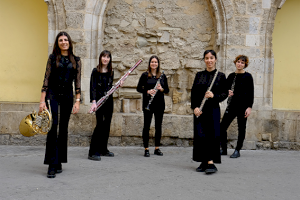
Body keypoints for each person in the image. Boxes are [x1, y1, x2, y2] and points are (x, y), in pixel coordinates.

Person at [40, 31, 81, 178]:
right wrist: (42, 101)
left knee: (63, 128)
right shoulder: (52, 58)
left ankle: (59, 161)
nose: (63, 42)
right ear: (57, 43)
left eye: (66, 40)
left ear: (69, 42)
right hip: (53, 94)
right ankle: (51, 164)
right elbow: (46, 79)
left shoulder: (76, 60)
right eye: (60, 40)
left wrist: (78, 101)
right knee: (53, 126)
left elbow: (77, 82)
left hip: (68, 97)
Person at [191, 50, 227, 174]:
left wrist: (213, 95)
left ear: (215, 59)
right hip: (200, 111)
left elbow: (224, 94)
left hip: (213, 110)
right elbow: (194, 93)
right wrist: (194, 107)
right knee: (200, 136)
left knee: (212, 135)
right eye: (207, 58)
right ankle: (203, 160)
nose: (209, 60)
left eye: (211, 58)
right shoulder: (199, 74)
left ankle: (210, 162)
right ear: (204, 60)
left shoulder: (221, 76)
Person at [220, 55, 254, 158]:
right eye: (238, 62)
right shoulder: (231, 76)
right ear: (235, 62)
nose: (240, 64)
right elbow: (224, 90)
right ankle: (224, 149)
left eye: (242, 63)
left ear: (245, 65)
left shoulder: (248, 76)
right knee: (222, 127)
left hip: (243, 107)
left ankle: (237, 150)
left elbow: (251, 93)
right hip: (232, 106)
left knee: (241, 129)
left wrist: (249, 107)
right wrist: (227, 92)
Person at [137, 55, 169, 157]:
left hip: (159, 104)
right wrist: (147, 91)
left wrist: (161, 89)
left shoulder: (162, 76)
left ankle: (157, 148)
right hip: (148, 104)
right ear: (149, 64)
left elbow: (167, 90)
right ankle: (146, 148)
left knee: (158, 126)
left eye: (155, 62)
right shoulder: (145, 75)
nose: (154, 64)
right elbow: (138, 88)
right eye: (152, 62)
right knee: (146, 126)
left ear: (158, 64)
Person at [88, 50, 118, 161]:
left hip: (109, 101)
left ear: (110, 59)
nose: (105, 59)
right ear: (100, 58)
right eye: (104, 57)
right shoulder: (95, 71)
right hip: (99, 102)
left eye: (107, 57)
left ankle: (103, 149)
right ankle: (92, 152)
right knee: (99, 125)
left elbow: (109, 87)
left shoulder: (111, 71)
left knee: (107, 125)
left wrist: (117, 86)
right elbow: (93, 87)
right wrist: (94, 102)